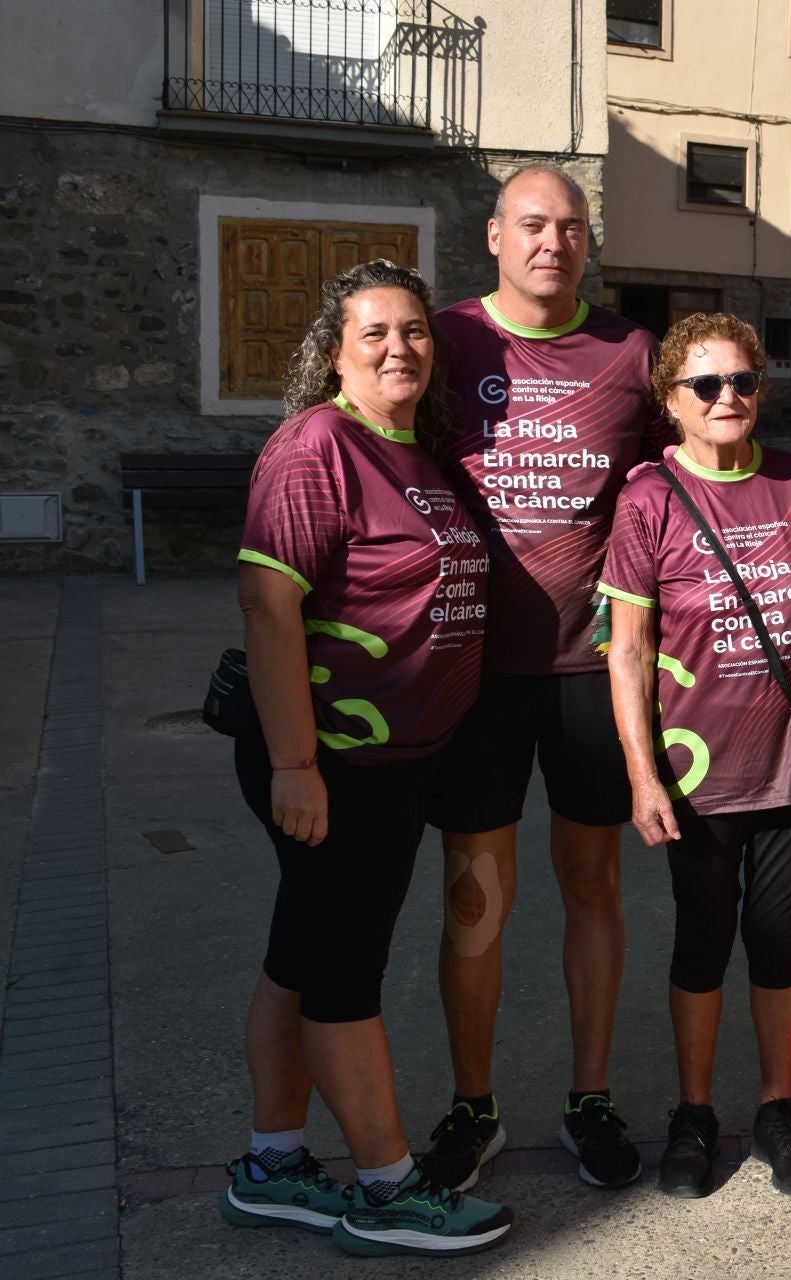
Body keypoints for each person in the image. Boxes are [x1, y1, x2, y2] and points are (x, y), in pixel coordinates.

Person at [221, 260, 511, 1257]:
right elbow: (267, 605)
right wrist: (294, 764)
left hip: (395, 762)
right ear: (334, 351)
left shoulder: (411, 452)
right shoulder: (315, 448)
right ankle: (387, 1183)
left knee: (300, 954)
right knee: (346, 967)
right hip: (331, 759)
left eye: (416, 330)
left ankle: (272, 1160)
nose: (400, 346)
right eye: (375, 331)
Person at [422, 163, 669, 1191]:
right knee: (476, 894)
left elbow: (669, 479)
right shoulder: (444, 340)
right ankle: (471, 1105)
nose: (552, 243)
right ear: (493, 234)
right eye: (532, 224)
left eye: (570, 227)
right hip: (474, 667)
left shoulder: (630, 349)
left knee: (593, 883)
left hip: (587, 665)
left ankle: (590, 1095)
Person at [600, 314, 791, 1199]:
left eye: (741, 381)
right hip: (698, 767)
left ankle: (779, 1106)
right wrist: (641, 773)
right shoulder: (649, 499)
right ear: (672, 402)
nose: (727, 397)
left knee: (777, 936)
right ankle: (695, 1112)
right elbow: (626, 650)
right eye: (705, 385)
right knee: (702, 940)